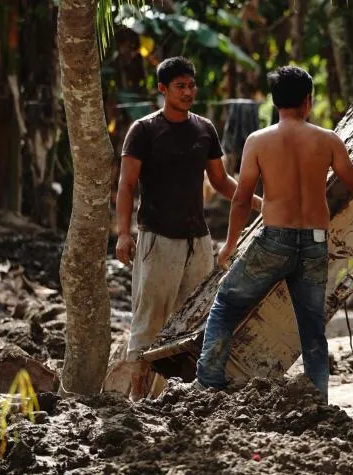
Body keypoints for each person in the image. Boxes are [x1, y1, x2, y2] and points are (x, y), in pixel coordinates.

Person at [195, 66, 353, 402]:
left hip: (275, 240)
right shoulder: (328, 140)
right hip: (315, 242)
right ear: (308, 101)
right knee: (312, 326)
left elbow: (242, 199)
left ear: (275, 102)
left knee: (227, 302)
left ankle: (208, 384)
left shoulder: (258, 141)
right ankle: (318, 398)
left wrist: (230, 244)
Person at [114, 56, 262, 400]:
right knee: (149, 320)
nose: (188, 92)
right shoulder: (144, 130)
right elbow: (126, 185)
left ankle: (172, 397)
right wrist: (123, 233)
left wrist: (260, 204)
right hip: (157, 238)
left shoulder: (204, 129)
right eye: (180, 86)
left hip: (199, 241)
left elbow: (221, 181)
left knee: (193, 320)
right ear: (163, 89)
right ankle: (136, 399)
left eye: (192, 85)